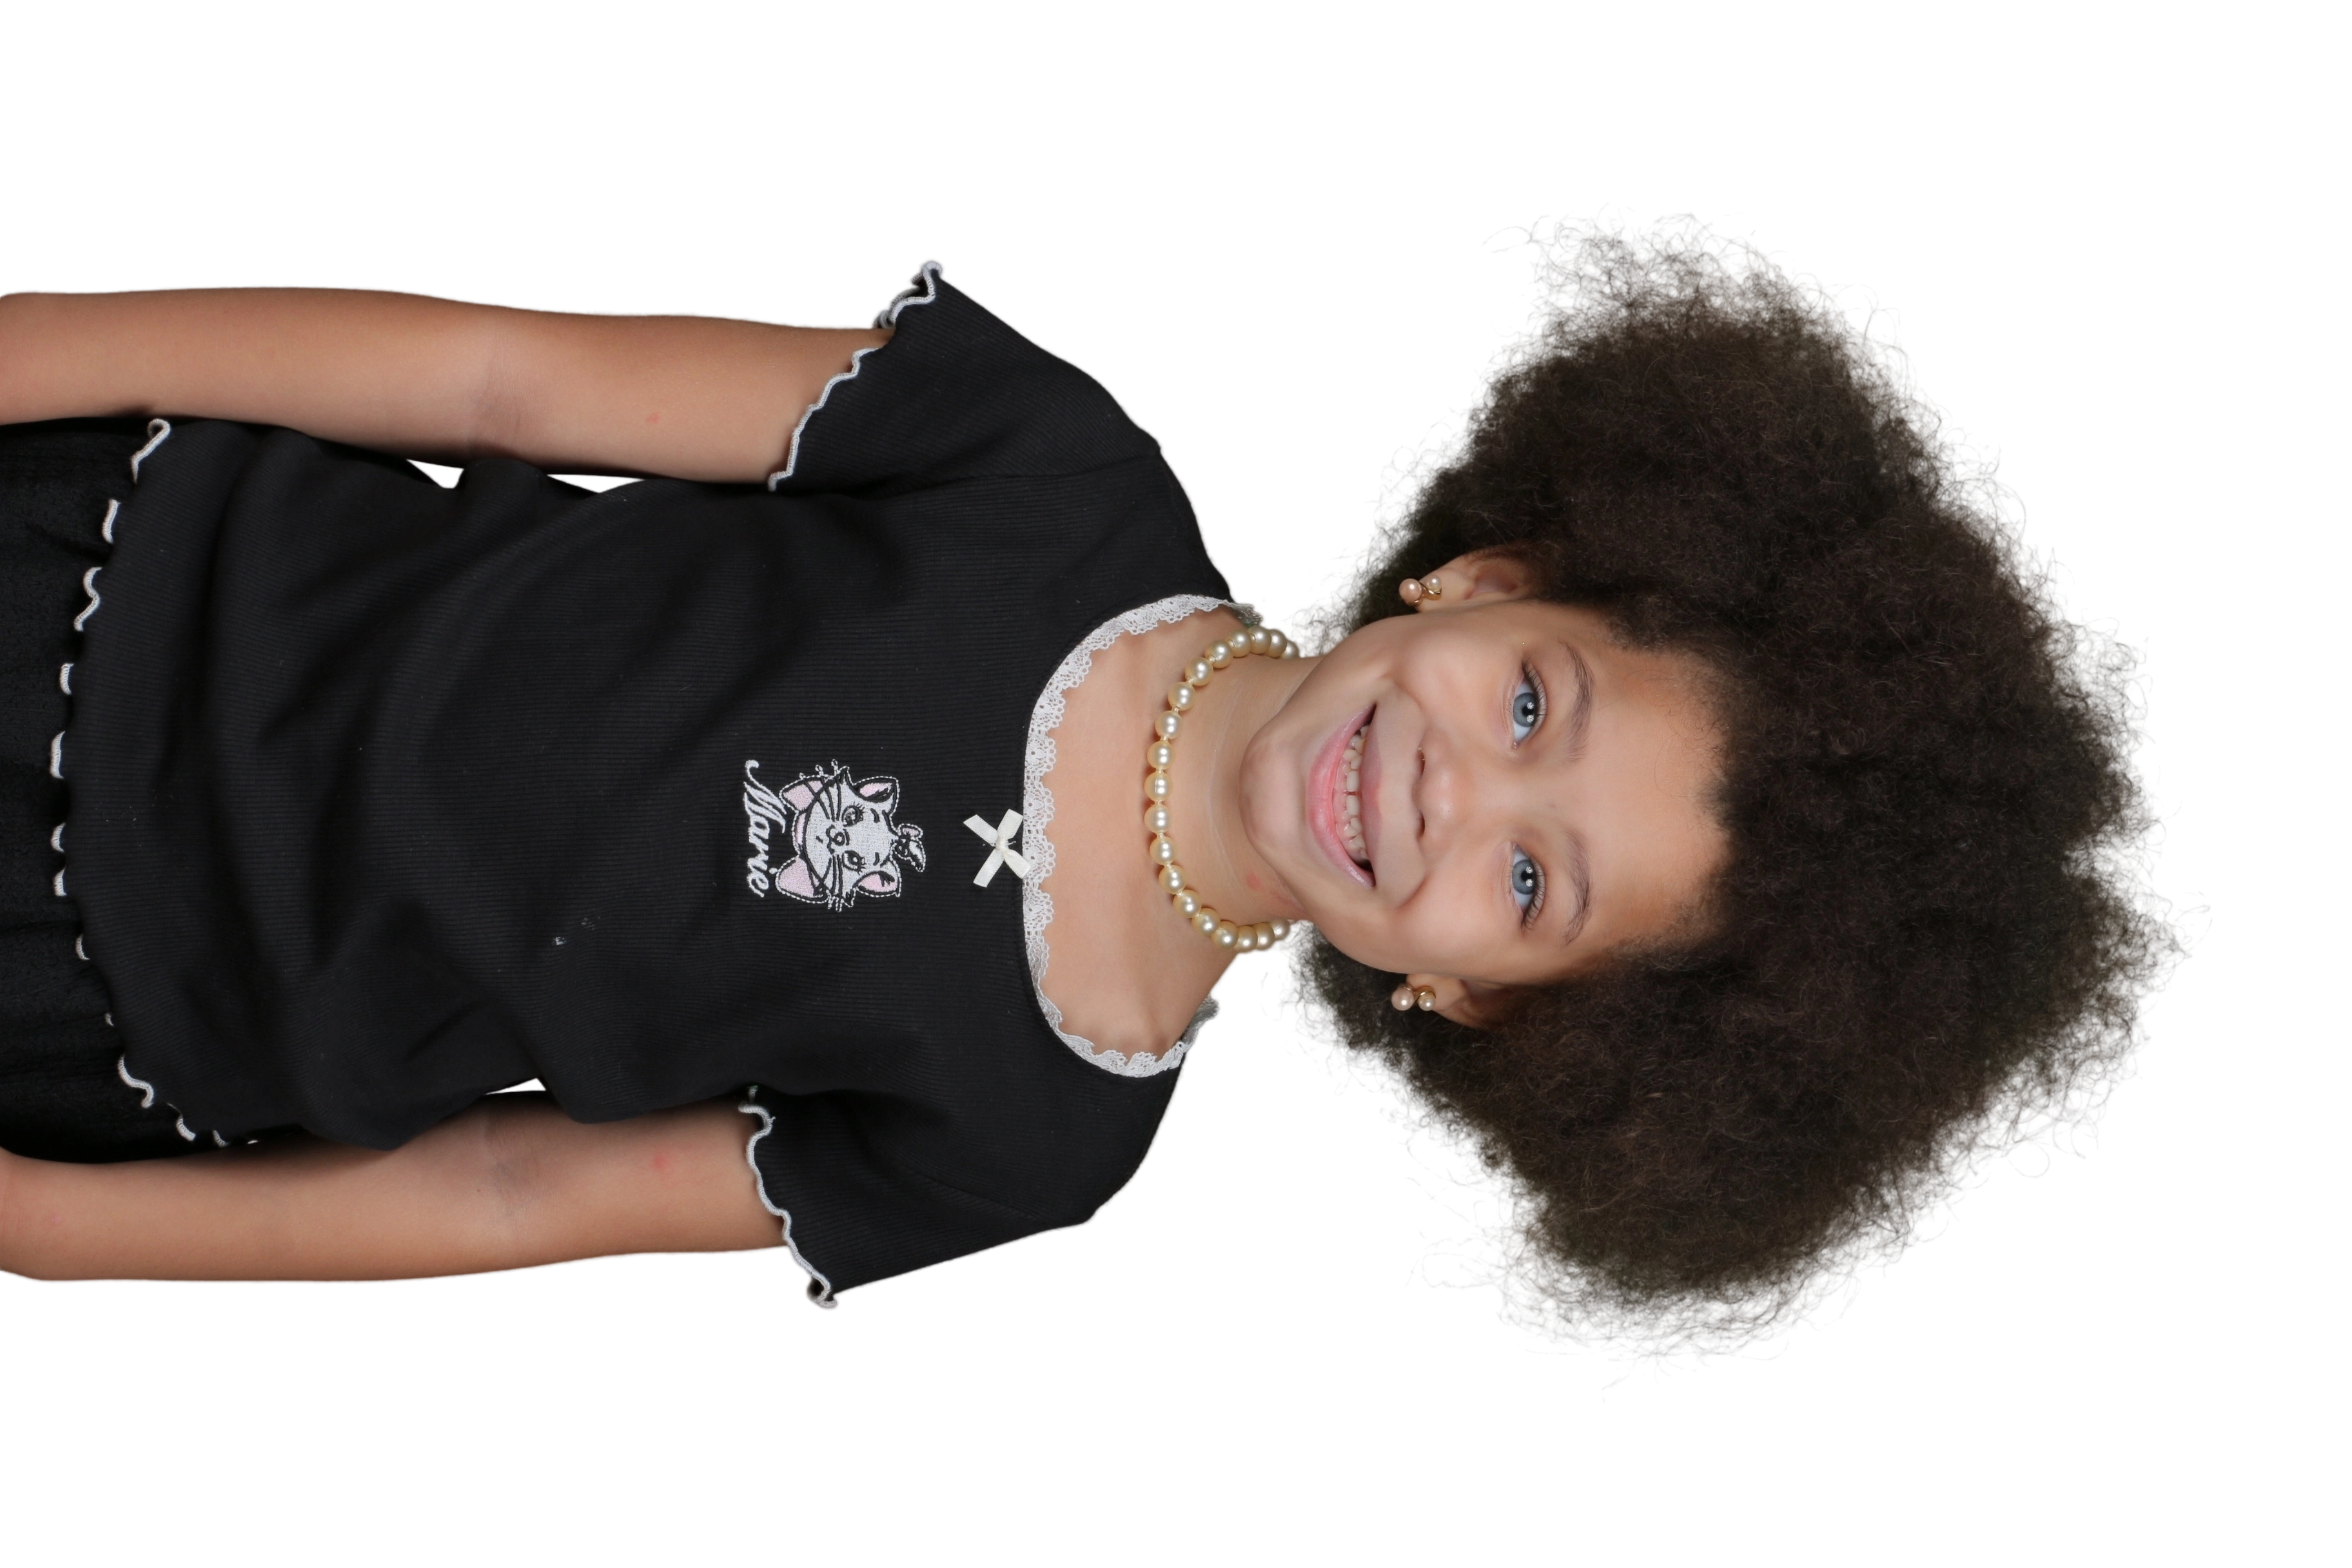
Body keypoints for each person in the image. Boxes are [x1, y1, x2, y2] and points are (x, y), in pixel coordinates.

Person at [0, 206, 2199, 1380]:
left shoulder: (1046, 1128)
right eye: (1536, 703)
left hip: (106, 1005)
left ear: (1480, 1009)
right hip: (99, 584)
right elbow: (497, 372)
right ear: (1487, 573)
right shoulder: (1053, 465)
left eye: (1536, 888)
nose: (1456, 796)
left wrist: (61, 1233)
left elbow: (503, 1197)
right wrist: (39, 347)